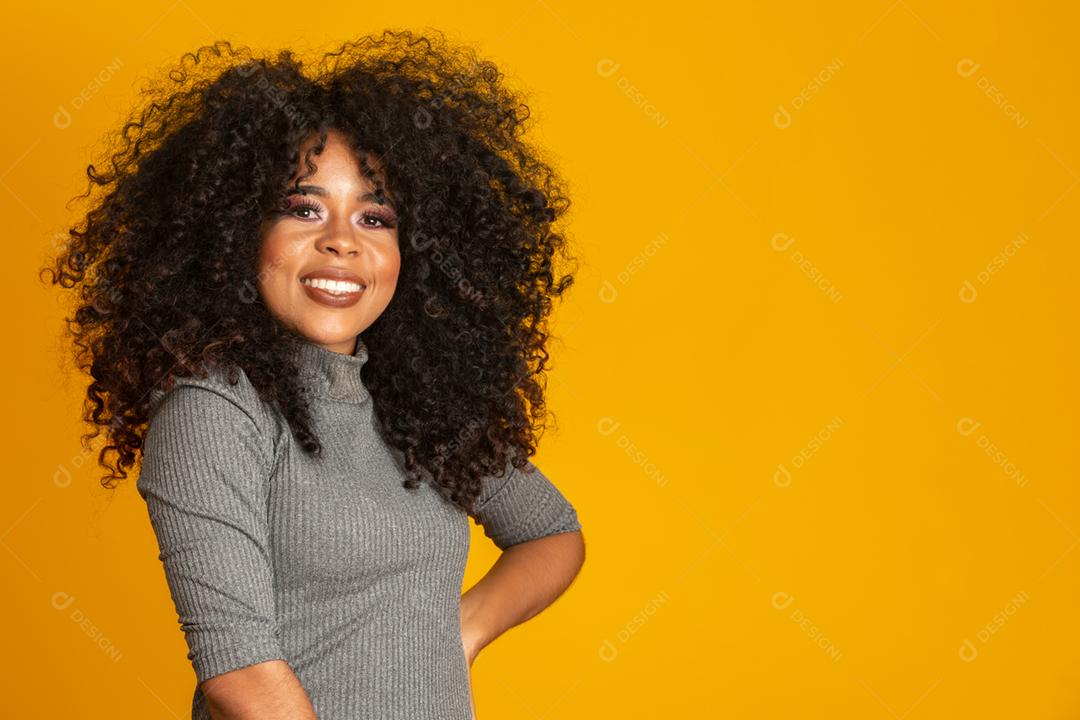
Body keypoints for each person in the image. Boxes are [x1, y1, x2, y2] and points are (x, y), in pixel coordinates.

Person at [42, 30, 586, 720]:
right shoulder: (215, 407)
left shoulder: (418, 401)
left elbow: (552, 533)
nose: (341, 240)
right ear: (237, 229)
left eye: (375, 216)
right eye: (303, 208)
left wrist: (463, 631)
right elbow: (242, 675)